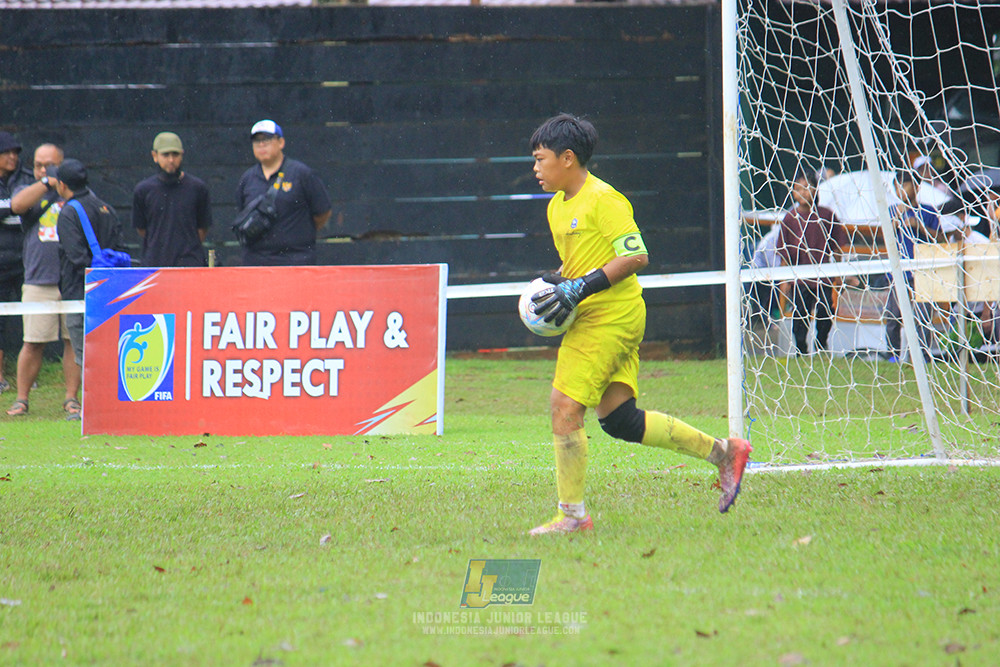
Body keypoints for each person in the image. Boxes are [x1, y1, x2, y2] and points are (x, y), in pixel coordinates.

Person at [525, 114, 752, 536]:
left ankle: (573, 517)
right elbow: (580, 263)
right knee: (619, 419)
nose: (535, 168)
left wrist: (580, 288)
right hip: (607, 315)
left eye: (541, 159)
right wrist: (559, 281)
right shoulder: (557, 207)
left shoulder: (604, 199)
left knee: (564, 408)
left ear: (568, 158)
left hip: (609, 316)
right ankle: (725, 453)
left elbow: (635, 255)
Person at [6, 144, 81, 417]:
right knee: (33, 341)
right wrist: (46, 182)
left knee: (72, 340)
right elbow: (17, 205)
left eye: (49, 165)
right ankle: (22, 399)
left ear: (62, 165)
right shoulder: (29, 190)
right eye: (38, 164)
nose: (42, 169)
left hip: (71, 280)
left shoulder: (75, 192)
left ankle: (71, 398)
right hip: (39, 278)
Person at [52, 159, 126, 373]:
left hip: (80, 292)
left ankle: (97, 407)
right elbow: (120, 247)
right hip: (112, 293)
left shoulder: (68, 213)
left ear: (62, 185)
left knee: (87, 359)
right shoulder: (106, 208)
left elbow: (76, 258)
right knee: (113, 354)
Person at [235, 120, 331, 266]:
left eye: (267, 139)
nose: (261, 145)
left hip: (295, 260)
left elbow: (323, 212)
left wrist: (299, 235)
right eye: (256, 141)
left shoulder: (302, 174)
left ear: (281, 142)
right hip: (256, 263)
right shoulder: (247, 179)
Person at [776, 168, 847, 355]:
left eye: (807, 187)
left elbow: (837, 247)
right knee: (800, 315)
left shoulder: (826, 215)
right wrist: (784, 280)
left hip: (823, 277)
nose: (803, 192)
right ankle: (801, 349)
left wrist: (838, 274)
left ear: (816, 189)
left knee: (825, 310)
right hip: (800, 278)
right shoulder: (790, 219)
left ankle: (821, 343)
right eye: (798, 188)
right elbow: (784, 253)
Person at [882, 172, 944, 363]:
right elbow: (883, 238)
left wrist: (919, 226)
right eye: (897, 186)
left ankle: (922, 355)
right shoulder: (892, 210)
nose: (901, 190)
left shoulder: (928, 211)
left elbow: (941, 238)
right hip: (899, 271)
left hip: (923, 270)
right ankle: (892, 355)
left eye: (905, 185)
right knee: (893, 315)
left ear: (916, 187)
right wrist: (895, 222)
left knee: (923, 316)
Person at [132, 132, 212, 267]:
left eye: (175, 155)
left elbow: (203, 228)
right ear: (154, 156)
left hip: (190, 264)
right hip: (155, 266)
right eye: (165, 155)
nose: (171, 160)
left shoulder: (198, 188)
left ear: (182, 155)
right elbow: (142, 229)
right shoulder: (143, 191)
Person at [0, 131, 33, 394]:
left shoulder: (27, 179)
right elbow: (18, 208)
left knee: (32, 320)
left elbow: (32, 208)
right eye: (7, 152)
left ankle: (28, 377)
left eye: (15, 152)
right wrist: (14, 207)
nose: (13, 157)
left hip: (26, 260)